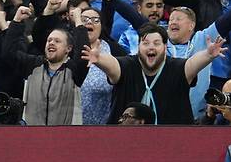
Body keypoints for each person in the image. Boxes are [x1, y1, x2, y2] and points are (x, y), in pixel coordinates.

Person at [82, 23, 227, 124]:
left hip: (170, 143)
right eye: (145, 43)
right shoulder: (127, 65)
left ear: (165, 47)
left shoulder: (177, 67)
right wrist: (99, 59)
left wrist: (208, 55)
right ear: (138, 47)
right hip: (125, 141)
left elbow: (191, 64)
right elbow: (113, 66)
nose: (151, 47)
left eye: (156, 43)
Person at [5, 5, 90, 125]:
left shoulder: (74, 69)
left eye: (57, 41)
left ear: (68, 48)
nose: (51, 43)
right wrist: (17, 21)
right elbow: (9, 53)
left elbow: (83, 54)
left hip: (65, 138)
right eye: (49, 40)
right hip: (33, 137)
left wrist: (78, 22)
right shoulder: (32, 65)